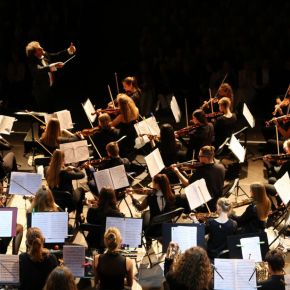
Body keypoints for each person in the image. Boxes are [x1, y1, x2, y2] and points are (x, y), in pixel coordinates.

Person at [25, 41, 76, 112]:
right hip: (41, 92)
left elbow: (56, 55)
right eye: (39, 49)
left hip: (50, 89)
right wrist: (54, 65)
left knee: (53, 111)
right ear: (35, 53)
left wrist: (68, 50)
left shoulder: (44, 54)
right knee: (45, 113)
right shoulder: (32, 62)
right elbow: (39, 69)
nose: (42, 48)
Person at [171, 145, 225, 212]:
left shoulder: (202, 171)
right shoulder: (221, 166)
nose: (198, 157)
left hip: (205, 203)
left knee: (177, 198)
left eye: (200, 156)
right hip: (216, 200)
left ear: (205, 157)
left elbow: (187, 184)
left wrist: (177, 172)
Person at [128, 173, 177, 245]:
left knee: (144, 215)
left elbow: (140, 208)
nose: (152, 184)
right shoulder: (171, 193)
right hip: (168, 222)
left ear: (157, 185)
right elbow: (157, 192)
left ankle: (148, 240)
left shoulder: (151, 197)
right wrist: (147, 192)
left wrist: (132, 196)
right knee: (148, 213)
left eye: (153, 182)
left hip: (155, 228)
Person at [46, 149, 86, 221]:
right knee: (81, 190)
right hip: (69, 204)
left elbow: (57, 171)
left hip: (54, 201)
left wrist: (64, 168)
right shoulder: (65, 174)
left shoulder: (47, 170)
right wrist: (74, 168)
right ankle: (79, 216)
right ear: (63, 159)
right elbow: (82, 175)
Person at [86, 187, 125, 251]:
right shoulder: (118, 215)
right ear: (113, 198)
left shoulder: (92, 211)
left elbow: (89, 221)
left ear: (100, 197)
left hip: (93, 241)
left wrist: (90, 207)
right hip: (111, 243)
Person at [110, 94, 139, 159]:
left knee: (111, 130)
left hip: (123, 140)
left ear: (121, 106)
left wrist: (101, 114)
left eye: (119, 104)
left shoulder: (121, 117)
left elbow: (111, 124)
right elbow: (127, 111)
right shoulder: (136, 110)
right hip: (132, 136)